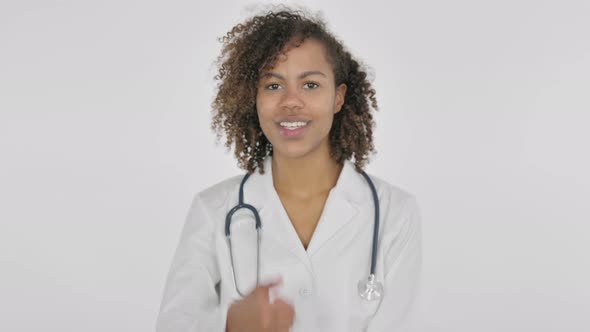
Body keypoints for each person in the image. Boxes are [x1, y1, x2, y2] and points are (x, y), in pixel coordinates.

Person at [156, 6, 422, 332]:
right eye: (272, 85)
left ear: (338, 97)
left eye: (310, 85)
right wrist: (231, 327)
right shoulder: (213, 210)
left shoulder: (396, 213)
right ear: (251, 98)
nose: (290, 101)